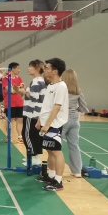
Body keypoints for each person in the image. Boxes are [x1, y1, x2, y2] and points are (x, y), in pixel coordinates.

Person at [36, 58, 69, 192]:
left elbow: (57, 107)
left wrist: (48, 124)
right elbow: (47, 106)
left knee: (56, 151)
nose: (45, 70)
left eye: (48, 68)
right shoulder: (51, 85)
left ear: (55, 71)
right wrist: (40, 120)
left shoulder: (61, 86)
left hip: (54, 124)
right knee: (50, 150)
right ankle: (50, 176)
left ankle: (58, 181)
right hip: (46, 123)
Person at [13, 60, 46, 170]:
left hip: (32, 113)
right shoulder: (39, 81)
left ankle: (33, 157)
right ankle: (34, 156)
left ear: (37, 68)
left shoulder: (37, 82)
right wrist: (22, 89)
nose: (28, 68)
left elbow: (32, 97)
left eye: (30, 67)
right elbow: (30, 95)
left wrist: (21, 90)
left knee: (27, 135)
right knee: (34, 136)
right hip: (36, 113)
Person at [61, 69, 89, 178]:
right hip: (74, 120)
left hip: (62, 119)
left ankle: (54, 169)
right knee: (74, 146)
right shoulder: (78, 91)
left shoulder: (61, 90)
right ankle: (77, 171)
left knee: (56, 147)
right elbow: (84, 108)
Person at [3, 62, 25, 144]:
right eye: (18, 68)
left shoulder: (19, 78)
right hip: (10, 103)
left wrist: (16, 88)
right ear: (12, 69)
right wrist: (18, 88)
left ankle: (20, 137)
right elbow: (9, 90)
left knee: (20, 120)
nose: (19, 70)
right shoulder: (6, 78)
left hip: (19, 103)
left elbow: (23, 90)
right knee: (10, 121)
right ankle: (9, 137)